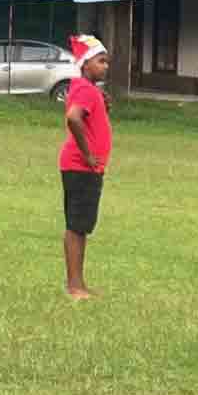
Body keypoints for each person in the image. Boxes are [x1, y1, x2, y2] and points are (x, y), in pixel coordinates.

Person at [60, 34, 112, 300]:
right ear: (85, 63)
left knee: (81, 227)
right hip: (81, 167)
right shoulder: (85, 88)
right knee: (76, 227)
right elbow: (73, 118)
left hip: (86, 169)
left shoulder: (89, 90)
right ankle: (74, 286)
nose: (105, 66)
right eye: (100, 61)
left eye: (106, 61)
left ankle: (80, 283)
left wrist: (103, 105)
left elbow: (88, 119)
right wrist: (88, 154)